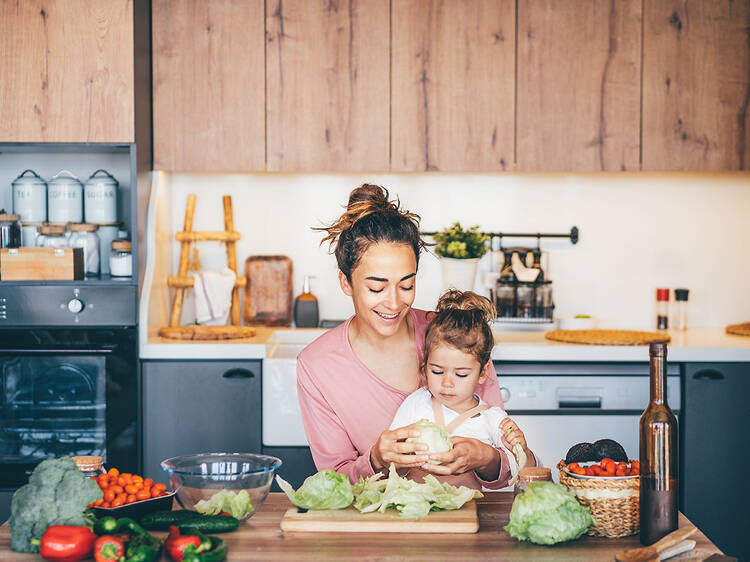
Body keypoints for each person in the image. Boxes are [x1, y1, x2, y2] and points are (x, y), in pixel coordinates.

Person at [297, 183, 514, 488]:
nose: (394, 302)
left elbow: (509, 463)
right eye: (376, 287)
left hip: (468, 521)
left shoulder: (455, 333)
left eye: (406, 285)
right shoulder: (317, 365)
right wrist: (375, 459)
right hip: (382, 527)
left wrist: (486, 458)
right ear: (346, 283)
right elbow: (333, 482)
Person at [388, 289, 535, 489]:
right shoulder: (416, 403)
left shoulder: (492, 418)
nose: (447, 383)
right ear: (424, 367)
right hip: (416, 513)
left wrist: (521, 449)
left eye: (461, 374)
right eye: (437, 371)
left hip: (467, 515)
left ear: (483, 373)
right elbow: (391, 457)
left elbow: (525, 471)